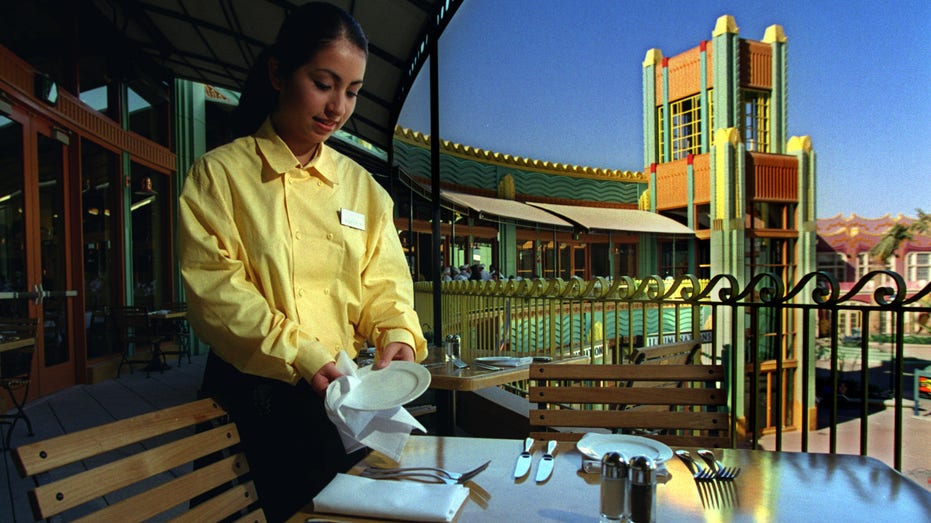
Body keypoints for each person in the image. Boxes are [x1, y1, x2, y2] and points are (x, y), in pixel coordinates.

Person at [177, 3, 427, 520]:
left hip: (344, 400)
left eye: (353, 92)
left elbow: (385, 283)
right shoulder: (220, 176)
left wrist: (397, 334)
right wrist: (301, 355)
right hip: (252, 398)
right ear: (278, 73)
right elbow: (218, 294)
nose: (338, 106)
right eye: (323, 83)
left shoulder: (363, 189)